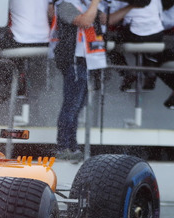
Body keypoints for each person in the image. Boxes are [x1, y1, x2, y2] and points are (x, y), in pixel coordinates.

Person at [51, 0, 133, 160]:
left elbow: (103, 19)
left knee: (78, 104)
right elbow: (85, 21)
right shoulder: (65, 4)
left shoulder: (86, 5)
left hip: (86, 60)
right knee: (71, 105)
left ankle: (72, 146)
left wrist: (129, 6)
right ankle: (63, 147)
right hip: (73, 59)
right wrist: (95, 3)